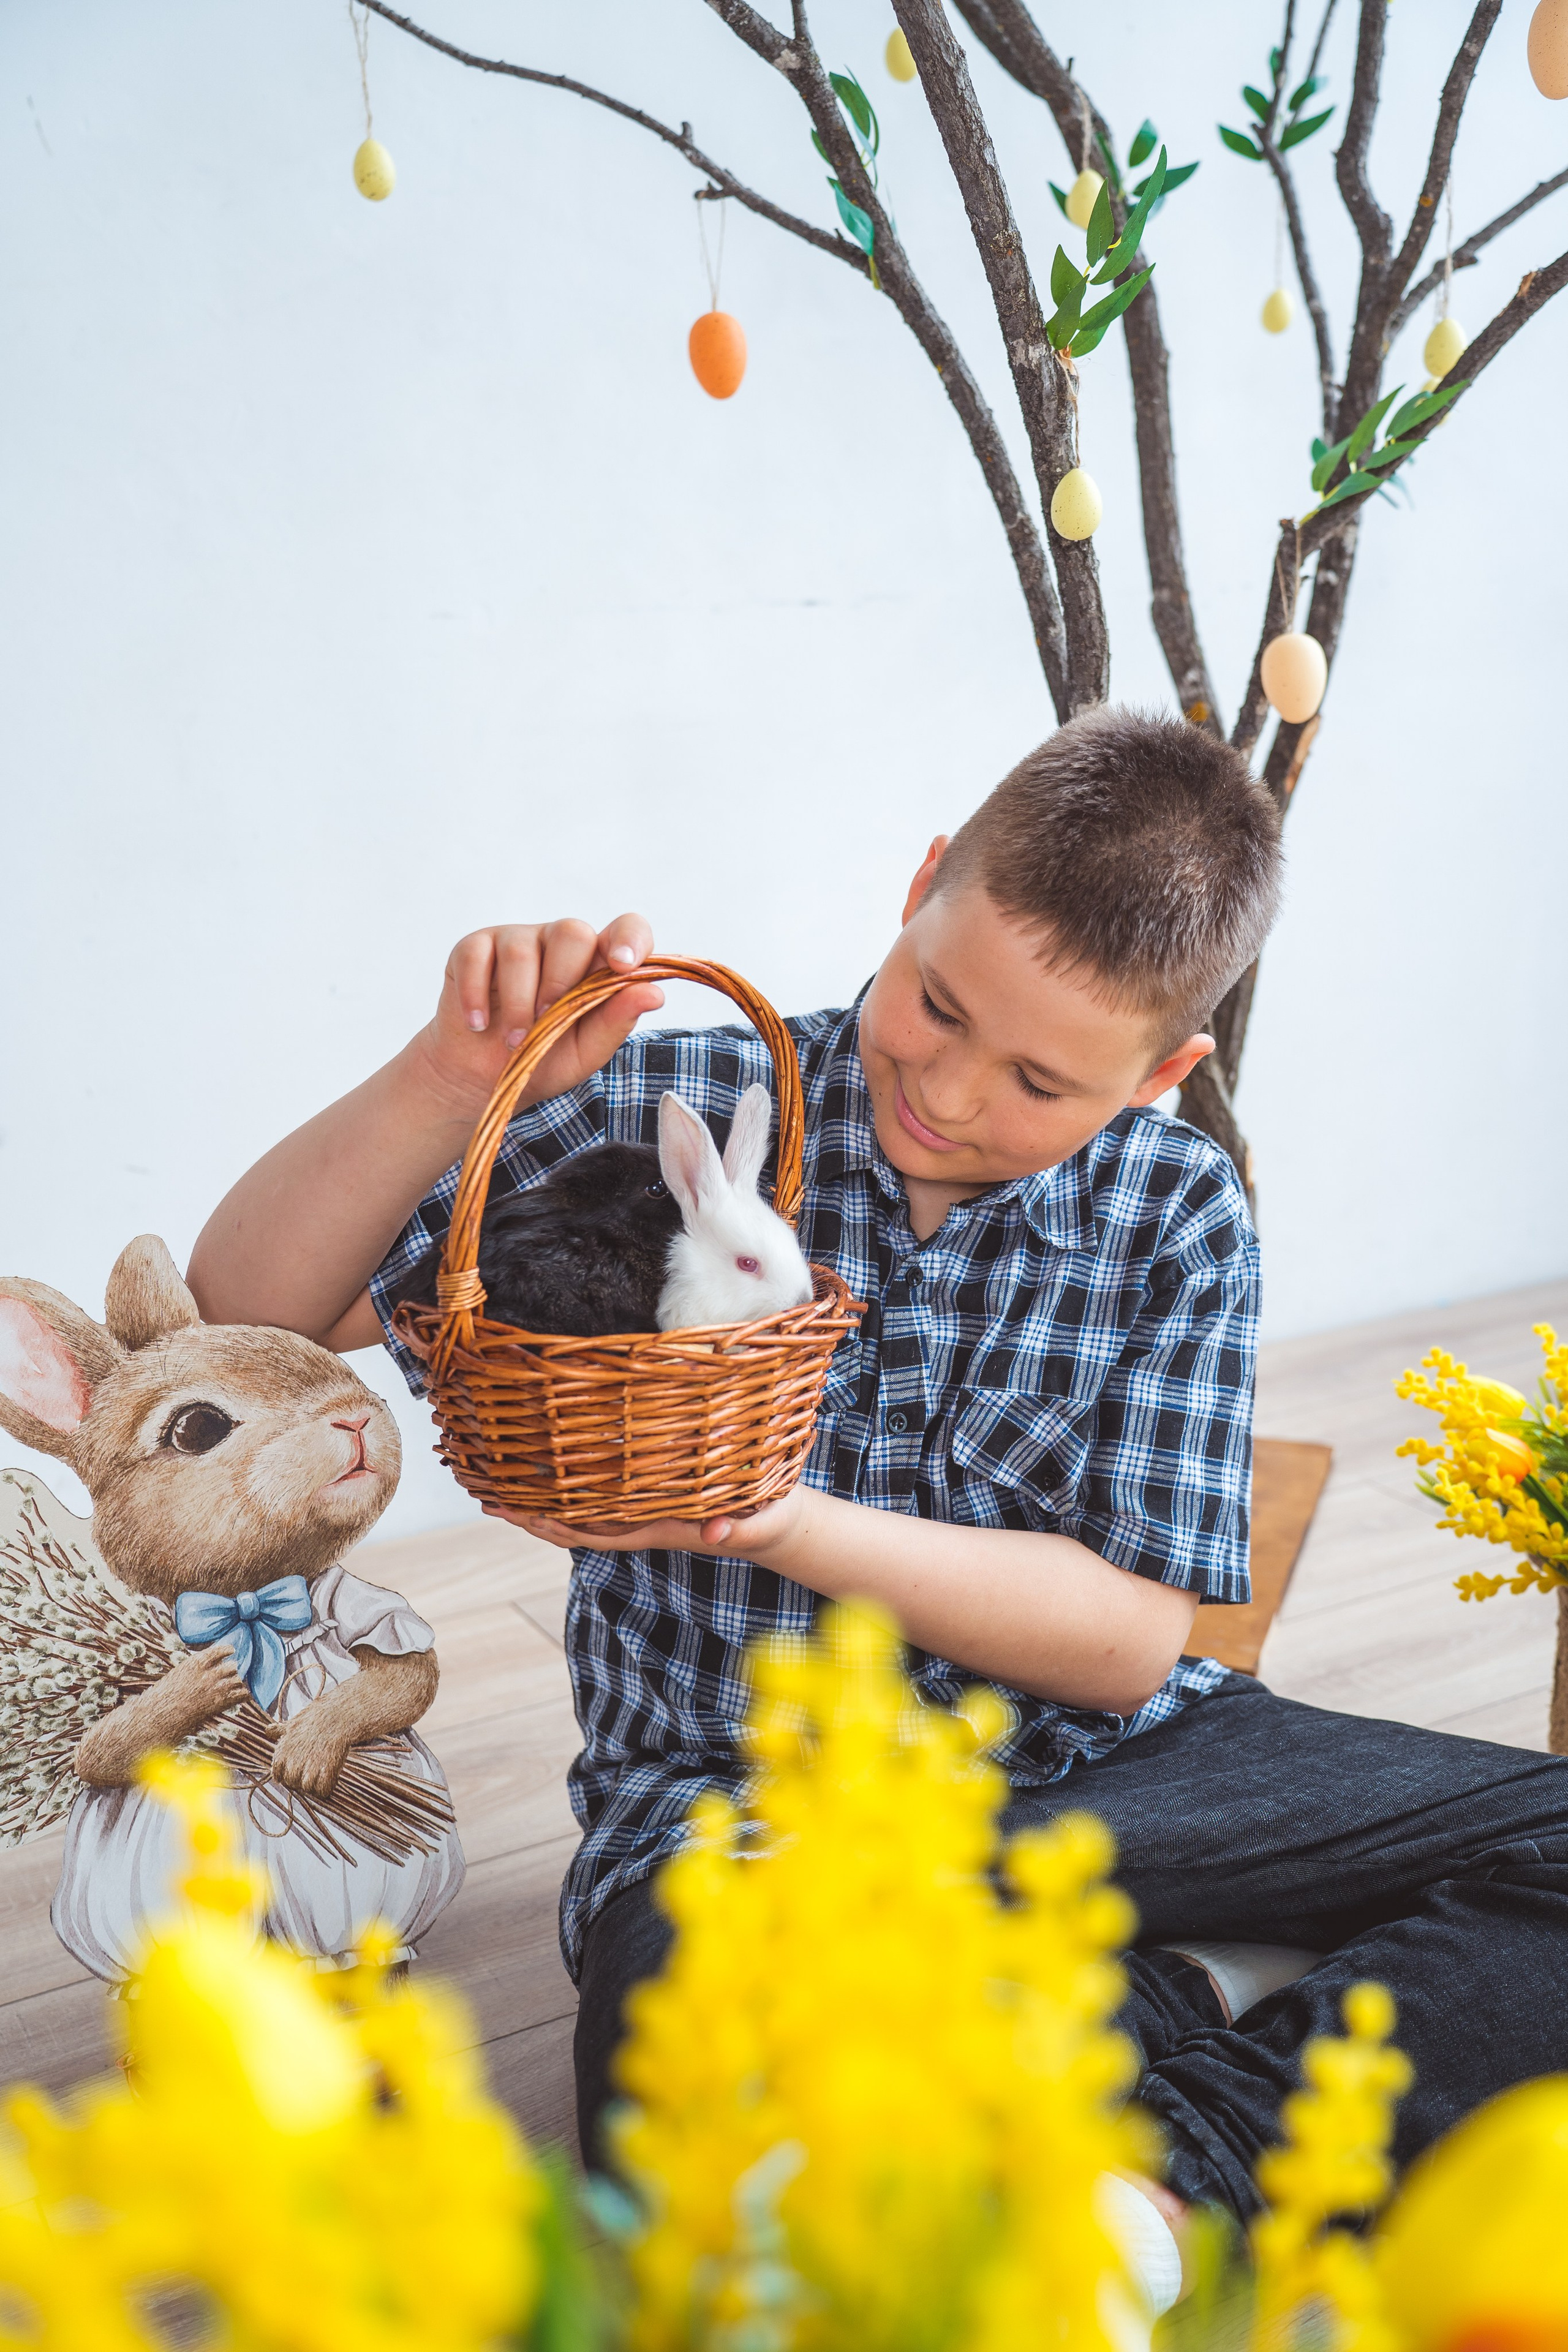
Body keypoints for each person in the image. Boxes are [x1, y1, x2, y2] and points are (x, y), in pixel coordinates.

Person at [189, 706, 1568, 2257]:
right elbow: (245, 1315)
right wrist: (449, 1080)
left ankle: (1170, 2179)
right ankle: (1160, 2001)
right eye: (937, 1004)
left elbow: (1123, 1645)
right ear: (919, 886)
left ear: (1162, 1070)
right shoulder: (699, 1097)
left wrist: (778, 1519)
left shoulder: (1177, 1209)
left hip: (1106, 1783)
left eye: (1044, 1081)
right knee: (700, 2156)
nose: (957, 1093)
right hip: (748, 1821)